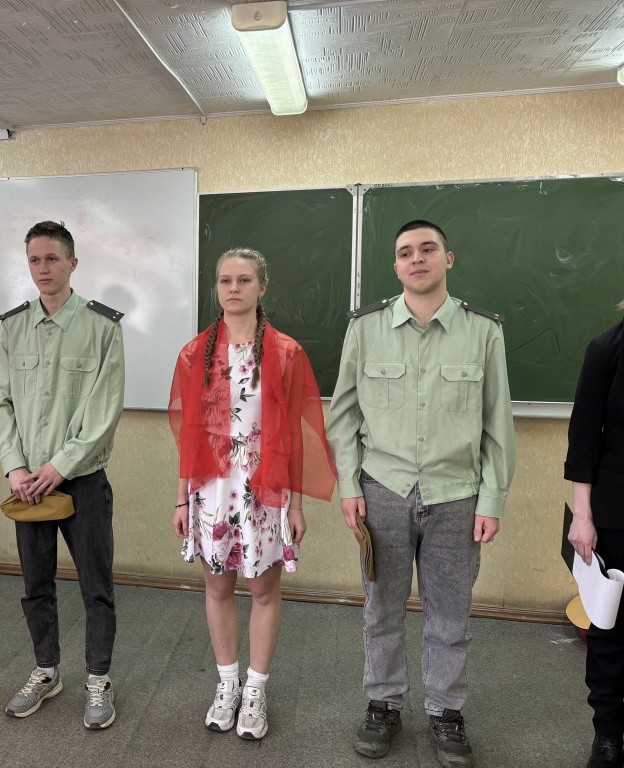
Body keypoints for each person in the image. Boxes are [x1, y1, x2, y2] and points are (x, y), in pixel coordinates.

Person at [326, 220, 515, 767]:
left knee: (450, 615)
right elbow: (343, 416)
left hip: (457, 495)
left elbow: (497, 424)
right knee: (381, 609)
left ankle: (446, 711)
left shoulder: (483, 332)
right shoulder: (366, 328)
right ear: (395, 266)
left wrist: (492, 499)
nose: (417, 259)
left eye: (428, 249)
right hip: (382, 490)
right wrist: (348, 485)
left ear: (447, 259)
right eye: (406, 252)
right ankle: (383, 703)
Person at [169, 248, 336, 740]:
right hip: (211, 491)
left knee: (263, 590)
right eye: (225, 280)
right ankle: (227, 684)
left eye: (244, 280)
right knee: (218, 588)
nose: (234, 288)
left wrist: (297, 504)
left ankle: (257, 689)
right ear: (217, 288)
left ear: (262, 288)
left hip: (265, 491)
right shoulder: (193, 353)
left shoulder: (286, 352)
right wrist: (181, 498)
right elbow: (189, 436)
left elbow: (297, 434)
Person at [0, 220, 125, 729]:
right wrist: (16, 467)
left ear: (72, 263)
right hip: (27, 485)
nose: (43, 268)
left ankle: (98, 679)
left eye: (52, 258)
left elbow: (104, 411)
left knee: (96, 586)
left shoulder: (103, 326)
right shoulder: (13, 327)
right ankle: (46, 670)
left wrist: (57, 466)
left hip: (81, 479)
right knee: (35, 584)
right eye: (34, 260)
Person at [566, 311, 624, 768]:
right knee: (610, 631)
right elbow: (584, 441)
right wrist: (582, 516)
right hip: (615, 514)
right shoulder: (607, 348)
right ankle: (608, 735)